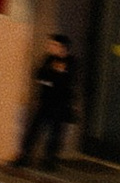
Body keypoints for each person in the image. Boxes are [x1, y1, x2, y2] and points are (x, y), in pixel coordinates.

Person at [15, 34, 77, 173]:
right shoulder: (48, 59)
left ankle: (49, 160)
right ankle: (24, 157)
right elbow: (39, 74)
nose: (50, 47)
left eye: (54, 45)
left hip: (60, 103)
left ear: (62, 47)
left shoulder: (71, 62)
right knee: (34, 130)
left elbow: (65, 82)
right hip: (45, 101)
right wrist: (52, 77)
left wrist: (51, 79)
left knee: (55, 133)